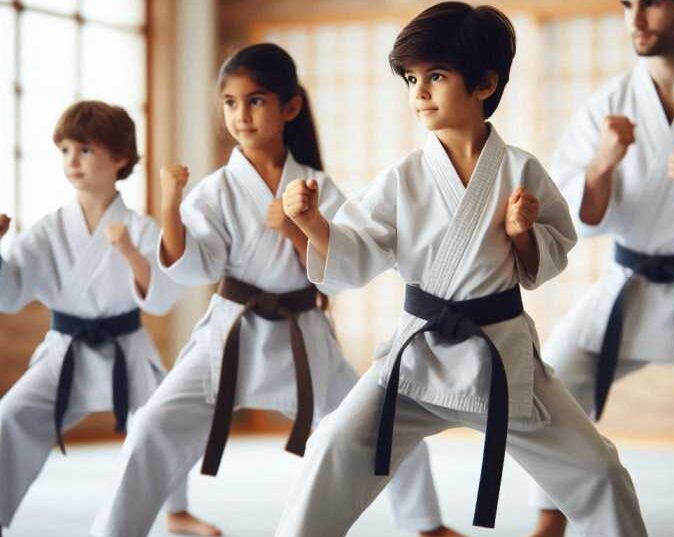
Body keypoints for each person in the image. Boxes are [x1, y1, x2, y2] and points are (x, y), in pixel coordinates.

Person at [278, 3, 648, 536]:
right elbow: (357, 247)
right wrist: (313, 223)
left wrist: (521, 232)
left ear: (484, 84)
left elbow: (549, 257)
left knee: (601, 471)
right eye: (411, 78)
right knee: (333, 446)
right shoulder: (403, 178)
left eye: (435, 76)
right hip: (417, 357)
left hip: (500, 359)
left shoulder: (521, 169)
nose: (419, 91)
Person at [91, 44, 462, 537]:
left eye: (255, 101)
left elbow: (344, 262)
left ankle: (426, 523)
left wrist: (294, 228)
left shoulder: (315, 186)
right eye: (229, 103)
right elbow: (189, 264)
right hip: (230, 334)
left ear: (289, 107)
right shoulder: (218, 189)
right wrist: (171, 200)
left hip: (303, 336)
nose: (240, 115)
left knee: (383, 420)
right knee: (153, 424)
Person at [528, 1, 674, 535]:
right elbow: (572, 218)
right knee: (550, 380)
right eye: (626, 4)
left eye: (651, 3)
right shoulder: (608, 104)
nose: (634, 18)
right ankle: (551, 516)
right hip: (629, 282)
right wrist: (599, 166)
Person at [0, 101, 219, 537]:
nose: (71, 161)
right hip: (63, 351)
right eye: (64, 150)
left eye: (84, 149)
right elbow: (11, 293)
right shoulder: (49, 229)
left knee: (162, 419)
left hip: (127, 350)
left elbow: (159, 297)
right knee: (11, 415)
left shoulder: (138, 227)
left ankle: (176, 509)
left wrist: (128, 251)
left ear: (119, 158)